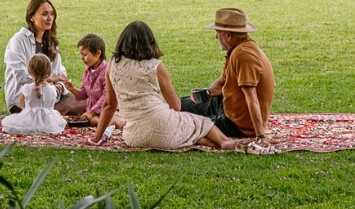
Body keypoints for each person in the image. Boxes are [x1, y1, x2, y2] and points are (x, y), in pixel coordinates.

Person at [90, 21, 237, 151]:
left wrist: (96, 138)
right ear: (150, 43)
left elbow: (109, 105)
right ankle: (224, 142)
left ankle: (197, 140)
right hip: (163, 129)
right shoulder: (156, 66)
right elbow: (176, 106)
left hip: (133, 138)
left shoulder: (112, 66)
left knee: (184, 130)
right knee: (199, 121)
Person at [179, 8, 274, 142]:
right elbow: (224, 81)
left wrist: (260, 136)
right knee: (179, 104)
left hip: (236, 124)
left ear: (228, 35)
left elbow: (252, 99)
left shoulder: (243, 56)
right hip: (226, 106)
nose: (216, 37)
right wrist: (207, 93)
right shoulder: (238, 49)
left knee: (184, 124)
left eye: (218, 33)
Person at [4, 0, 84, 114]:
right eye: (45, 14)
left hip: (52, 96)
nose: (49, 18)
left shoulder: (50, 42)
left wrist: (59, 87)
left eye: (52, 14)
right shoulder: (18, 40)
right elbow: (22, 77)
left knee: (89, 102)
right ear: (31, 17)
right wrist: (52, 81)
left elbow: (61, 75)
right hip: (26, 101)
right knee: (79, 107)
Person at [0, 54, 68, 135]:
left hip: (29, 119)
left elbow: (21, 104)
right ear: (49, 72)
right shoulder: (53, 89)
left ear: (29, 71)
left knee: (11, 122)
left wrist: (28, 110)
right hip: (48, 121)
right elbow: (52, 104)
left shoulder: (27, 88)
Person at [70, 34, 123, 129]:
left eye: (85, 55)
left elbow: (106, 96)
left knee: (113, 121)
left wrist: (91, 112)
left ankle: (120, 121)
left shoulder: (106, 71)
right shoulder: (87, 71)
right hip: (95, 112)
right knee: (92, 121)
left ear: (98, 53)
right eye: (81, 55)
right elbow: (83, 94)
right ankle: (106, 125)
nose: (82, 58)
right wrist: (72, 89)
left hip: (109, 109)